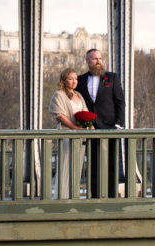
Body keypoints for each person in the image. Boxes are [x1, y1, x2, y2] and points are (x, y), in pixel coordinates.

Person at [76, 49, 125, 198]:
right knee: (92, 164)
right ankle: (95, 195)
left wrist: (118, 124)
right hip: (90, 128)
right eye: (94, 59)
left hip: (110, 126)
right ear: (87, 61)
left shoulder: (112, 78)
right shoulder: (81, 80)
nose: (98, 61)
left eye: (100, 58)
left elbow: (120, 101)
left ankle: (111, 195)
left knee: (111, 163)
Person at [48, 68, 90, 199]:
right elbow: (59, 115)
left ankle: (73, 195)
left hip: (81, 136)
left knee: (77, 164)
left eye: (76, 79)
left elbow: (86, 113)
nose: (74, 82)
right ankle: (62, 196)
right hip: (67, 134)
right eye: (71, 79)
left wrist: (90, 127)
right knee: (66, 163)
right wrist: (73, 127)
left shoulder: (79, 95)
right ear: (64, 80)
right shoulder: (59, 95)